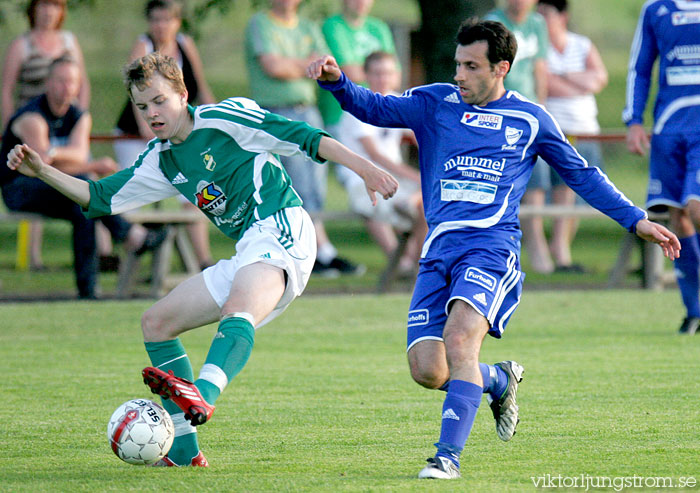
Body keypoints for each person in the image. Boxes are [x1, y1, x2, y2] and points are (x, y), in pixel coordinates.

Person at [307, 19, 680, 479]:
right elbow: (375, 107)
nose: (459, 74)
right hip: (438, 249)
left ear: (501, 68)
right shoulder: (434, 102)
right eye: (457, 64)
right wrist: (338, 82)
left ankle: (447, 458)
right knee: (428, 369)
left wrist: (635, 218)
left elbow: (580, 174)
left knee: (461, 339)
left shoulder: (530, 119)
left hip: (490, 248)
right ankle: (498, 378)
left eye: (471, 66)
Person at [6, 52, 398, 466]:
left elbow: (304, 136)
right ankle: (186, 452)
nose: (151, 114)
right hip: (249, 247)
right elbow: (99, 198)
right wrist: (43, 171)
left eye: (159, 101)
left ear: (182, 94)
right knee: (156, 323)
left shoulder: (224, 119)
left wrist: (365, 169)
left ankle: (204, 395)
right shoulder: (161, 159)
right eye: (142, 107)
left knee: (238, 306)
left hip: (283, 226)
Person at [0, 56, 162, 299]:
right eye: (61, 81)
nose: (67, 88)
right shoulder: (32, 117)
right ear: (48, 83)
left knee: (84, 206)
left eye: (72, 82)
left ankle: (88, 292)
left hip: (56, 187)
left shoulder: (79, 116)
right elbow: (40, 165)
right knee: (84, 190)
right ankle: (128, 233)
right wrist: (91, 163)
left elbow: (75, 154)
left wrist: (58, 155)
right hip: (19, 188)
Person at [245, 0, 364, 277]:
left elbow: (325, 67)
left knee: (315, 182)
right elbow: (273, 67)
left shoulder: (308, 26)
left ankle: (317, 250)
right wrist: (304, 65)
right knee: (297, 183)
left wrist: (294, 65)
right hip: (276, 111)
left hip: (307, 109)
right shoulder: (260, 24)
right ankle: (316, 252)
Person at [114, 0, 216, 271]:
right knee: (132, 191)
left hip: (175, 131)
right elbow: (137, 98)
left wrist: (216, 121)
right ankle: (130, 259)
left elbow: (201, 89)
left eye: (166, 19)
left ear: (177, 22)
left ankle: (203, 261)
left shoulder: (185, 45)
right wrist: (152, 133)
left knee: (195, 189)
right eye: (156, 20)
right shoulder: (143, 47)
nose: (161, 26)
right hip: (136, 135)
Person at [624, 0, 700, 335]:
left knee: (696, 207)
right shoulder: (655, 9)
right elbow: (640, 67)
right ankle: (694, 310)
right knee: (676, 215)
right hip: (669, 126)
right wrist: (634, 120)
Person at [1, 0, 90, 271]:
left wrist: (80, 117)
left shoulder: (68, 41)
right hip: (31, 126)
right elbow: (7, 89)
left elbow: (82, 82)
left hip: (62, 122)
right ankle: (34, 256)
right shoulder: (22, 45)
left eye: (55, 5)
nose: (49, 11)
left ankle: (108, 249)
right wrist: (9, 128)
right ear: (34, 9)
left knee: (81, 185)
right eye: (43, 4)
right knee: (53, 176)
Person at [334, 51, 426, 275]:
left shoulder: (401, 102)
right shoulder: (357, 105)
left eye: (388, 73)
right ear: (365, 75)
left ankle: (416, 264)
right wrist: (416, 176)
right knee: (370, 203)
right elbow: (375, 156)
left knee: (433, 198)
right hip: (361, 175)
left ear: (397, 75)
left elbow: (422, 137)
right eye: (376, 73)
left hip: (395, 177)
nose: (383, 78)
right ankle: (403, 263)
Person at [485, 0, 559, 274]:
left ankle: (539, 246)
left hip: (528, 112)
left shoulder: (537, 24)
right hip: (502, 110)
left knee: (538, 181)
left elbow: (540, 67)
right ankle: (515, 247)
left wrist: (539, 107)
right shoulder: (494, 22)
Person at [537, 0, 608, 272]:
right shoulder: (537, 48)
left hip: (585, 129)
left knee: (578, 192)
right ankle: (550, 253)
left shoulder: (581, 44)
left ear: (562, 17)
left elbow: (599, 79)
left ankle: (561, 250)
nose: (542, 19)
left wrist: (564, 75)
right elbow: (546, 84)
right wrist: (579, 82)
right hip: (555, 131)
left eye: (548, 14)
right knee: (552, 191)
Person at [319, 0, 397, 134]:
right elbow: (348, 73)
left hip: (377, 115)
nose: (362, 1)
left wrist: (364, 71)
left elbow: (395, 77)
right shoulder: (332, 26)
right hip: (341, 116)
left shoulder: (379, 28)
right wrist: (381, 72)